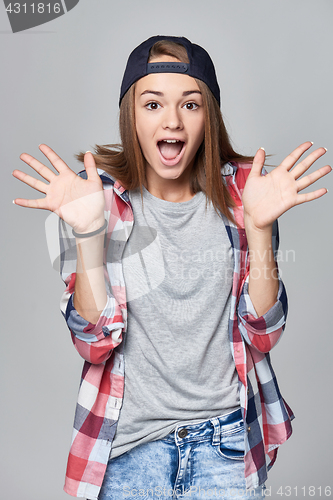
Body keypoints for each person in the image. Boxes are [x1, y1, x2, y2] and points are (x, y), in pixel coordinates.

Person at [13, 36, 331, 500]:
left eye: (190, 103)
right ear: (131, 115)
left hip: (225, 447)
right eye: (153, 103)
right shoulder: (94, 202)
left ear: (209, 117)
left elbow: (264, 333)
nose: (172, 120)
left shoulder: (248, 196)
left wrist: (261, 228)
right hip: (126, 454)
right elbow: (93, 343)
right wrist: (87, 234)